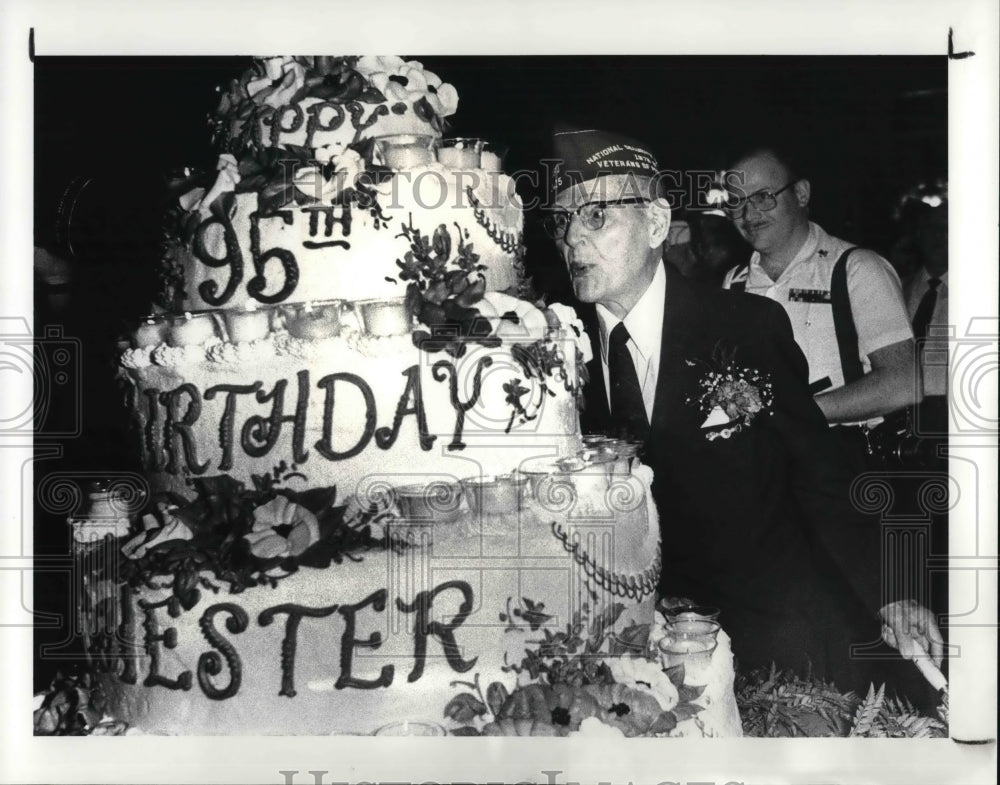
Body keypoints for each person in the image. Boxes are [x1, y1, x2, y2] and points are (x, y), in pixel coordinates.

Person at [543, 128, 942, 696]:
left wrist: (890, 591)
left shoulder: (744, 326)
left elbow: (818, 474)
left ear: (657, 224)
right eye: (562, 221)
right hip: (640, 647)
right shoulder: (558, 350)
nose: (573, 239)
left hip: (768, 638)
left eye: (597, 216)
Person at [720, 148, 921, 472]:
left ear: (801, 193)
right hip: (760, 464)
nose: (749, 214)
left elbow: (904, 381)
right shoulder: (734, 283)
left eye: (763, 196)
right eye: (736, 203)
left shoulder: (856, 269)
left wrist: (794, 413)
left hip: (842, 464)